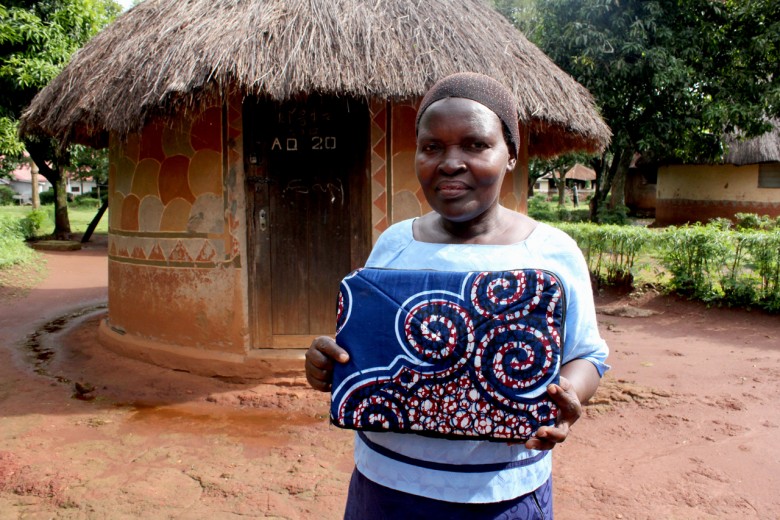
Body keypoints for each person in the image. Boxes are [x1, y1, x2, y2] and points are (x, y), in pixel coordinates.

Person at [305, 72, 609, 519]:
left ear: (510, 155)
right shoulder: (394, 243)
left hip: (502, 494)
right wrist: (327, 365)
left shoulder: (550, 252)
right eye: (432, 147)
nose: (450, 163)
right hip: (385, 485)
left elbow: (588, 355)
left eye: (475, 144)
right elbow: (369, 348)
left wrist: (568, 397)